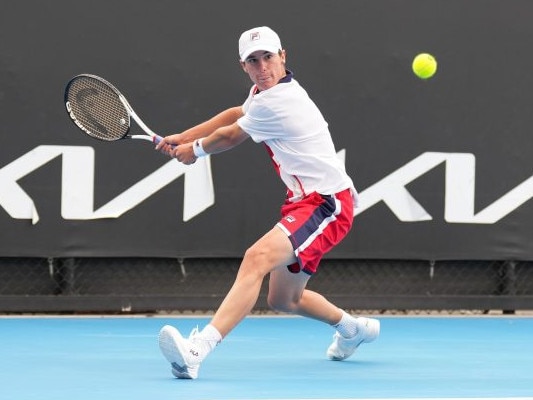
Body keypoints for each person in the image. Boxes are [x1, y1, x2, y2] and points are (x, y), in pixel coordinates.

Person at [155, 26, 380, 379]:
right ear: (243, 66)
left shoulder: (281, 100)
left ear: (283, 57)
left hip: (326, 204)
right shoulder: (262, 94)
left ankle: (197, 350)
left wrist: (194, 151)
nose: (263, 67)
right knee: (283, 300)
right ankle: (353, 330)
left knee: (256, 258)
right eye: (253, 61)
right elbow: (235, 114)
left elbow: (231, 135)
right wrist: (186, 135)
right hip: (304, 201)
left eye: (268, 58)